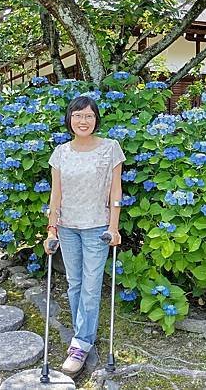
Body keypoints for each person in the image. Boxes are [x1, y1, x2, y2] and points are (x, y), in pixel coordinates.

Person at [45, 95, 125, 376]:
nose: (83, 121)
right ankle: (84, 332)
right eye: (78, 116)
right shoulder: (60, 153)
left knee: (91, 286)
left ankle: (81, 343)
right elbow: (56, 195)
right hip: (67, 227)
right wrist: (51, 228)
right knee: (74, 284)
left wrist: (113, 227)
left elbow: (116, 192)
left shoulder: (111, 149)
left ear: (96, 119)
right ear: (70, 119)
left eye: (88, 116)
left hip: (96, 227)